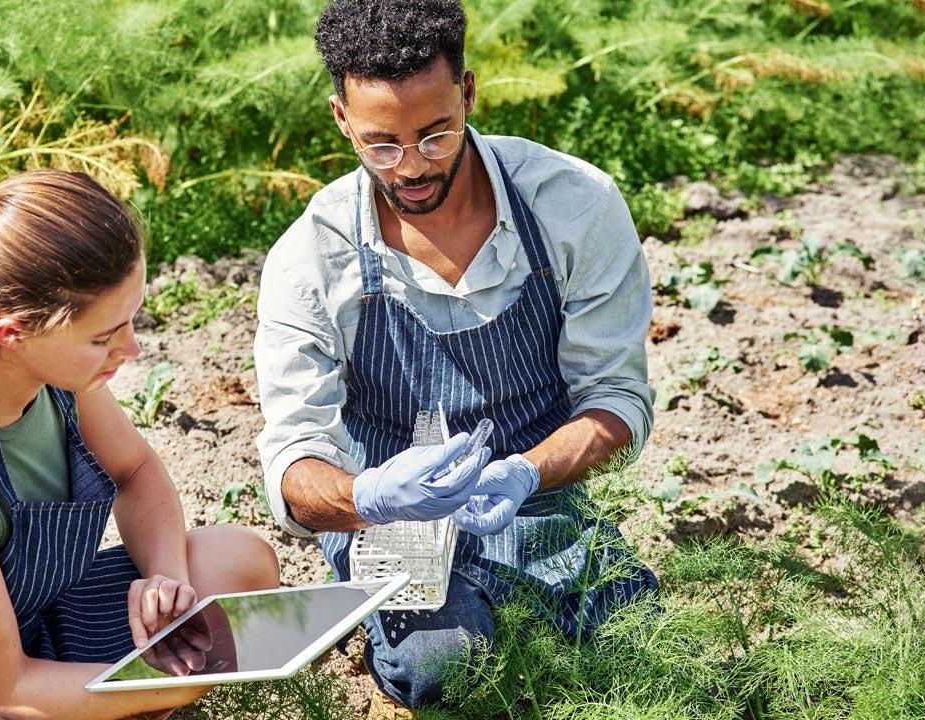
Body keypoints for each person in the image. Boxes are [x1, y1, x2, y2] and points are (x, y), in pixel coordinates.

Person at [253, 0, 658, 713]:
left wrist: (527, 472)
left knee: (640, 645)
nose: (411, 167)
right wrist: (370, 496)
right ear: (341, 118)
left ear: (468, 94)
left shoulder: (572, 206)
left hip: (539, 502)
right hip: (388, 530)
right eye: (381, 144)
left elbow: (616, 403)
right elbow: (294, 465)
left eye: (436, 134)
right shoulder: (311, 259)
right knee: (449, 668)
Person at [0, 170, 281, 719]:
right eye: (103, 337)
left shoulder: (54, 378)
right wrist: (182, 684)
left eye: (130, 320)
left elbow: (137, 471)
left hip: (36, 621)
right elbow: (4, 692)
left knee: (237, 560)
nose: (132, 349)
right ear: (12, 332)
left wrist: (164, 580)